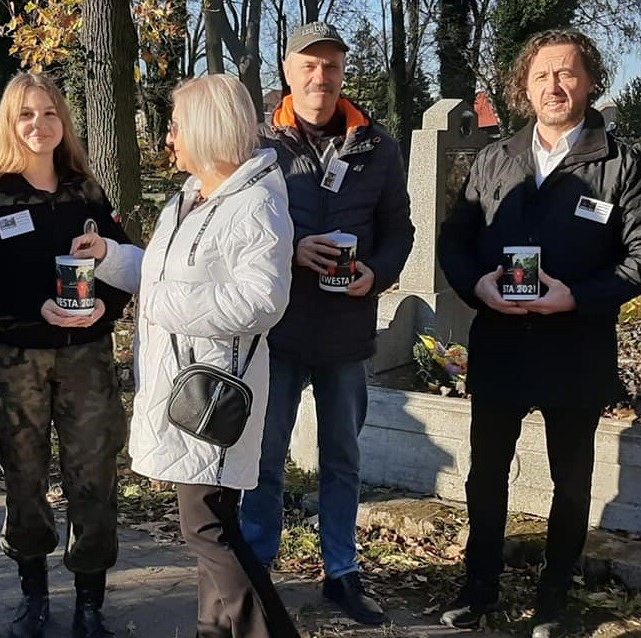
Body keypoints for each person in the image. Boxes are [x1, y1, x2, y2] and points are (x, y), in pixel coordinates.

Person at [436, 29, 641, 638]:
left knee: (571, 481)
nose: (554, 86)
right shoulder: (495, 159)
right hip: (502, 342)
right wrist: (477, 288)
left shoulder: (621, 160)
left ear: (590, 82)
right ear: (524, 86)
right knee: (485, 475)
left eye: (567, 73)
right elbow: (456, 240)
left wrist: (581, 296)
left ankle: (553, 602)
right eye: (542, 75)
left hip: (576, 345)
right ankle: (479, 589)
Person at [71, 74, 298, 638]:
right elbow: (163, 271)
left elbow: (261, 300)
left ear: (206, 129)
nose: (167, 139)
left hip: (214, 394)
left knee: (208, 530)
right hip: (182, 388)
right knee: (209, 526)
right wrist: (110, 257)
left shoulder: (254, 207)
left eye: (174, 127)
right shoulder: (191, 196)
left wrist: (161, 301)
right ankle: (211, 629)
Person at [238, 21, 414, 626]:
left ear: (343, 74)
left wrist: (380, 274)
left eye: (332, 66)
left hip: (346, 331)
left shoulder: (378, 146)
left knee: (342, 457)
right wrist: (288, 252)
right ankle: (257, 568)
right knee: (265, 457)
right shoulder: (258, 142)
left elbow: (400, 231)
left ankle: (341, 571)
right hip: (278, 329)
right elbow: (234, 226)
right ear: (288, 71)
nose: (321, 78)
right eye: (309, 66)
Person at [0, 72, 133, 638]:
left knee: (93, 478)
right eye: (26, 114)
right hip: (14, 362)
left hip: (86, 361)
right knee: (24, 478)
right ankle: (33, 595)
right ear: (9, 122)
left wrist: (106, 308)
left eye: (50, 113)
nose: (39, 125)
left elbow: (121, 266)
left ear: (63, 122)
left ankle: (90, 602)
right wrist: (35, 308)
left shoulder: (87, 192)